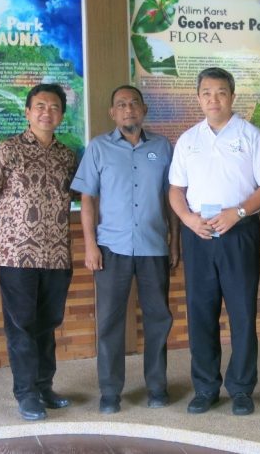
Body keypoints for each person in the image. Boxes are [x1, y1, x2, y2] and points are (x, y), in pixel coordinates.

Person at [168, 67, 260, 416]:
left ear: (232, 96)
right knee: (201, 312)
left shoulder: (251, 136)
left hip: (239, 231)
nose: (213, 99)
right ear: (198, 98)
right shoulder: (188, 140)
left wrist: (238, 213)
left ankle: (242, 388)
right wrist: (188, 219)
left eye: (220, 92)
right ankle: (205, 388)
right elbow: (176, 190)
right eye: (206, 93)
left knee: (242, 312)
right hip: (199, 232)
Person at [71, 85, 179, 415]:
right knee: (109, 322)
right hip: (111, 248)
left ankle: (157, 387)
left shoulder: (162, 147)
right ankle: (109, 392)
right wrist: (90, 245)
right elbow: (87, 200)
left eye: (133, 103)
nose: (128, 109)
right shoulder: (98, 148)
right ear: (112, 113)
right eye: (121, 104)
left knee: (158, 319)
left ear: (144, 109)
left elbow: (172, 199)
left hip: (153, 247)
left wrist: (175, 241)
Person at [0, 83, 76, 421]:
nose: (47, 112)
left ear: (62, 114)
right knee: (21, 326)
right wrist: (3, 235)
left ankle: (44, 386)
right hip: (17, 257)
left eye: (54, 107)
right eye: (40, 106)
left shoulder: (67, 156)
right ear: (28, 112)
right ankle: (26, 393)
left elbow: (83, 197)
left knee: (47, 325)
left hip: (57, 255)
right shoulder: (7, 150)